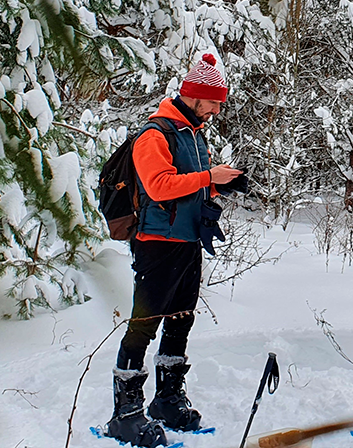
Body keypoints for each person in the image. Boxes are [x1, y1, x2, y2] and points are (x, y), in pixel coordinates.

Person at [107, 53, 244, 448]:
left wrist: (219, 186)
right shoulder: (155, 135)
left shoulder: (192, 133)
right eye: (214, 101)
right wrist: (209, 176)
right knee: (144, 324)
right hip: (156, 244)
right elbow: (159, 186)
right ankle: (126, 413)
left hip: (187, 242)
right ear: (195, 96)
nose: (218, 109)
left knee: (181, 319)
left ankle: (166, 399)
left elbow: (189, 186)